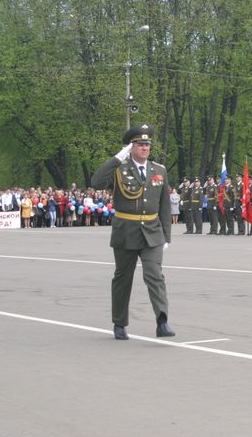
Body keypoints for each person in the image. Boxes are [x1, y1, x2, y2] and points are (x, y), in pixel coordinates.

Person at [90, 123, 174, 341]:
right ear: (131, 147)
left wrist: (166, 236)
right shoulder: (119, 169)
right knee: (123, 278)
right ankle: (119, 323)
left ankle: (162, 321)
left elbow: (165, 205)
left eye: (147, 144)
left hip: (152, 232)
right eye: (140, 144)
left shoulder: (159, 170)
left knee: (154, 275)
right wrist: (117, 158)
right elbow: (96, 182)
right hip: (126, 231)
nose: (145, 148)